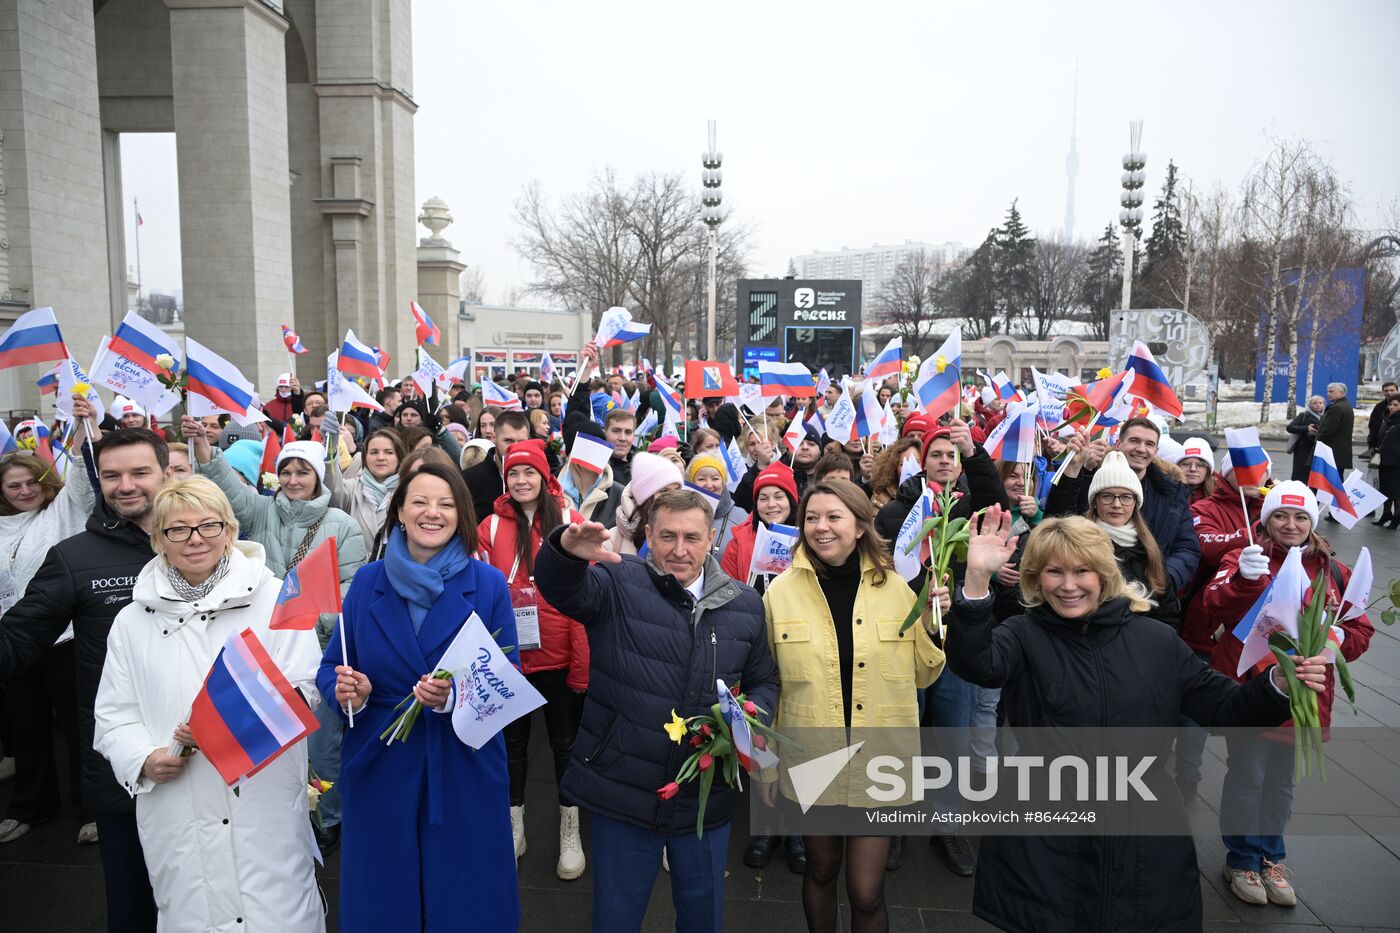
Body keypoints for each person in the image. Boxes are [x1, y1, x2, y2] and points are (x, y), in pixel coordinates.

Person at [948, 509, 1333, 933]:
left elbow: (1227, 709)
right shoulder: (1023, 635)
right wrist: (977, 581)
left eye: (1082, 571)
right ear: (1037, 578)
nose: (1069, 585)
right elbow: (976, 662)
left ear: (1105, 573)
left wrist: (1278, 683)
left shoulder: (1156, 640)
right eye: (1054, 572)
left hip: (1144, 834)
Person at [534, 487, 779, 933]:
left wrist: (747, 717)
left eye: (691, 537)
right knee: (616, 918)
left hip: (704, 796)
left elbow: (765, 680)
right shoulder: (618, 580)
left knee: (703, 917)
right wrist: (565, 553)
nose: (679, 550)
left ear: (711, 541)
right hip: (623, 789)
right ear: (648, 534)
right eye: (667, 536)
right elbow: (562, 589)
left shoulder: (745, 604)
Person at [92, 477, 323, 933]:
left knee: (276, 913)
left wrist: (224, 729)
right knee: (191, 912)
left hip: (264, 796)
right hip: (177, 800)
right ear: (157, 539)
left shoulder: (275, 598)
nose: (195, 539)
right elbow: (113, 712)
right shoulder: (132, 620)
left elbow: (305, 687)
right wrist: (142, 760)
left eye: (209, 525)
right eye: (178, 529)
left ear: (231, 530)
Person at [319, 463, 521, 931]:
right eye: (421, 502)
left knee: (466, 897)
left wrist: (454, 698)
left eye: (446, 504)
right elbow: (332, 669)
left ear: (462, 515)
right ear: (401, 513)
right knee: (385, 898)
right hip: (382, 762)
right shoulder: (368, 582)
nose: (433, 513)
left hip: (462, 764)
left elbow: (508, 677)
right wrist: (353, 692)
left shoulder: (487, 583)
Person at [0, 428, 173, 929]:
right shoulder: (76, 557)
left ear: (167, 473)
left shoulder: (213, 546)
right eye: (112, 475)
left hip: (207, 762)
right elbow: (16, 640)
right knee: (134, 908)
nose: (125, 485)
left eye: (139, 472)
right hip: (123, 772)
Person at [760, 479, 945, 932]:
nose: (821, 528)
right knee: (820, 870)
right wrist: (765, 766)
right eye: (811, 518)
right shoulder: (778, 593)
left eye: (834, 517)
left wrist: (934, 624)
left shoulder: (899, 589)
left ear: (861, 525)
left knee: (866, 891)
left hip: (878, 761)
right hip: (812, 757)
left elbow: (925, 673)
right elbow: (768, 686)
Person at [184, 417, 365, 852]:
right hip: (262, 649)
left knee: (321, 745)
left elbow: (351, 590)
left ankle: (327, 814)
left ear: (318, 476)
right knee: (267, 735)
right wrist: (203, 450)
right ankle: (277, 812)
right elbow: (228, 487)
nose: (293, 479)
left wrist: (304, 615)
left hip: (317, 652)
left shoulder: (342, 523)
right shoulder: (261, 509)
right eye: (286, 471)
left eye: (303, 471)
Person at [1202, 482, 1373, 907]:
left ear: (1311, 522)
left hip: (1309, 698)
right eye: (1280, 516)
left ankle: (1271, 859)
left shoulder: (1334, 570)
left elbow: (1360, 629)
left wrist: (1333, 638)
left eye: (1300, 517)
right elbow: (1214, 605)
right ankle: (1241, 859)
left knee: (1281, 785)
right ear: (1266, 519)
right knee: (1248, 778)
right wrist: (1243, 579)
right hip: (1253, 693)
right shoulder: (1245, 559)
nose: (1290, 525)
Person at [873, 419, 1009, 876]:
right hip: (908, 641)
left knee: (951, 736)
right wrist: (919, 587)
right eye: (937, 454)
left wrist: (976, 453)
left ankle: (945, 824)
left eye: (953, 455)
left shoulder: (973, 508)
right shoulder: (898, 509)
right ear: (922, 461)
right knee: (903, 732)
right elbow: (882, 568)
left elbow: (998, 504)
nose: (946, 460)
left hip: (959, 644)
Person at [476, 439, 589, 880]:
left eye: (529, 473)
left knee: (565, 745)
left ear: (545, 477)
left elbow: (586, 594)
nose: (521, 481)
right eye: (513, 473)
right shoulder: (489, 527)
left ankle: (569, 828)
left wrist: (582, 663)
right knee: (513, 745)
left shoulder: (570, 520)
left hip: (560, 655)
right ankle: (514, 825)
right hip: (510, 656)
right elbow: (480, 588)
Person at [0, 399, 100, 846]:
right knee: (26, 727)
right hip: (14, 641)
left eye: (30, 482)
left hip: (64, 638)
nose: (23, 491)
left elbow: (83, 475)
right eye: (13, 485)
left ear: (45, 482)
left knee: (81, 728)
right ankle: (31, 806)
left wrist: (86, 424)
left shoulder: (62, 513)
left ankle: (92, 809)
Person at [1071, 417, 1201, 592]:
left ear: (1156, 450)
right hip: (1097, 592)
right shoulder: (1090, 480)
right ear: (1118, 444)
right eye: (1134, 441)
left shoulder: (1171, 493)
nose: (1141, 449)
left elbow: (1187, 548)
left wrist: (1163, 581)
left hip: (1153, 597)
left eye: (1149, 444)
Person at [721, 461, 797, 593]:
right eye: (763, 498)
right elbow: (727, 591)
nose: (771, 504)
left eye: (779, 497)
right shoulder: (738, 542)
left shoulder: (810, 538)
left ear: (791, 501)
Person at [324, 427, 405, 544]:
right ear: (365, 458)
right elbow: (332, 486)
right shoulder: (352, 489)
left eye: (388, 452)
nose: (381, 458)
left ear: (399, 458)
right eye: (374, 452)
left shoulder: (407, 493)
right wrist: (330, 451)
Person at [463, 409, 533, 522]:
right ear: (495, 437)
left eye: (521, 442)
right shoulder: (469, 479)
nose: (514, 448)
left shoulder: (536, 479)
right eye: (508, 441)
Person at [610, 452, 685, 556]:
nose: (673, 496)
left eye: (677, 490)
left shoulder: (689, 533)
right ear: (646, 497)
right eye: (664, 491)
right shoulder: (613, 538)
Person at [687, 453, 746, 556]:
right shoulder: (680, 514)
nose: (709, 485)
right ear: (692, 483)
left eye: (715, 479)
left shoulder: (741, 518)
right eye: (701, 479)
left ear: (723, 483)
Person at [1315, 382, 1355, 486]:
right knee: (1336, 481)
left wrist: (1318, 440)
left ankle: (1334, 502)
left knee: (1332, 483)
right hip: (1340, 452)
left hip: (1332, 452)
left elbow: (1328, 430)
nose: (1328, 394)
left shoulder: (1337, 408)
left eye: (1331, 391)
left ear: (1341, 393)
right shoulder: (1346, 405)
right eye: (1327, 391)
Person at [1374, 395, 1400, 528]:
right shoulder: (1388, 419)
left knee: (1396, 491)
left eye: (1395, 405)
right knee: (1385, 489)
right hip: (1384, 461)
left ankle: (1397, 517)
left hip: (1396, 462)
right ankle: (1386, 513)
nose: (1392, 407)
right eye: (1390, 405)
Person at [1286, 395, 1325, 482]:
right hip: (1303, 451)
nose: (1318, 405)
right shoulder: (1303, 415)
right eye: (1315, 403)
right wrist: (1306, 428)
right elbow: (1290, 427)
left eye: (1320, 403)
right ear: (1310, 405)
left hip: (1318, 451)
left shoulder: (1326, 417)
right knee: (1301, 475)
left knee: (1315, 477)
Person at [1177, 437, 1215, 505]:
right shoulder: (1167, 492)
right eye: (1186, 464)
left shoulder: (1219, 495)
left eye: (1200, 465)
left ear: (1208, 470)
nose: (1193, 469)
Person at [1366, 380, 1398, 458]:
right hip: (1378, 447)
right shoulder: (1379, 407)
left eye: (1392, 390)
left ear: (1397, 391)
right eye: (1386, 390)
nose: (1389, 393)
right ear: (1383, 392)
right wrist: (1371, 442)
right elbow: (1372, 424)